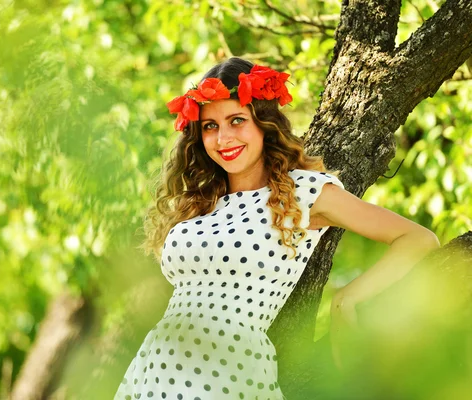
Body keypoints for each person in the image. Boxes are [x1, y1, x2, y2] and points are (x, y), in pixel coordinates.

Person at [113, 57, 440, 400]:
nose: (223, 138)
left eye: (236, 120)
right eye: (210, 126)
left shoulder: (302, 192)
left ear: (264, 124)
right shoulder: (200, 202)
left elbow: (417, 238)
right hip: (152, 372)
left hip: (226, 375)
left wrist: (348, 299)